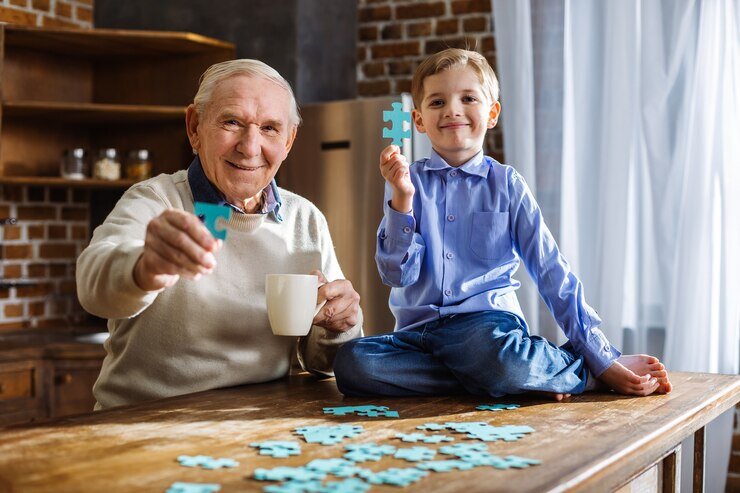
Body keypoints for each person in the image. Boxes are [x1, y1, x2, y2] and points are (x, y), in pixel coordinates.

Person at [333, 48, 671, 399]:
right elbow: (395, 276)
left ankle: (577, 370)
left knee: (492, 357)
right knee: (353, 364)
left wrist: (601, 356)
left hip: (486, 330)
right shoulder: (406, 182)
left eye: (468, 98)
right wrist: (401, 200)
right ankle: (524, 376)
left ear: (492, 113)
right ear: (418, 120)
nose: (452, 110)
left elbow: (552, 271)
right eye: (437, 102)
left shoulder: (507, 185)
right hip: (417, 335)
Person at [77, 59, 362, 409]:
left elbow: (324, 363)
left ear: (288, 141)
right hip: (144, 424)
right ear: (195, 127)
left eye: (270, 128)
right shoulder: (156, 199)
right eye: (232, 122)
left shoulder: (304, 218)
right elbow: (93, 287)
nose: (250, 146)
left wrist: (341, 327)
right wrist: (144, 267)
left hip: (255, 428)